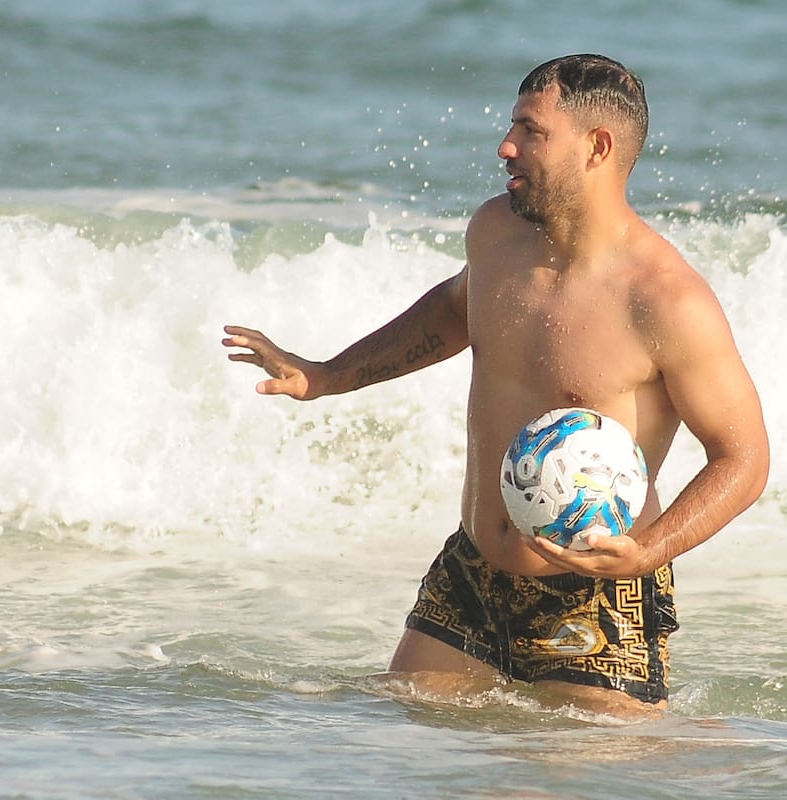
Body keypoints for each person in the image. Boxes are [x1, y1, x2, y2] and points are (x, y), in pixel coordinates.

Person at [223, 54, 768, 713]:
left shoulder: (663, 300)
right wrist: (326, 375)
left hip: (593, 597)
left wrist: (645, 551)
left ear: (597, 148)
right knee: (396, 740)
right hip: (472, 572)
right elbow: (458, 308)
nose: (505, 146)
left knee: (596, 775)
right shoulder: (497, 234)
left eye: (531, 132)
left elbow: (744, 458)